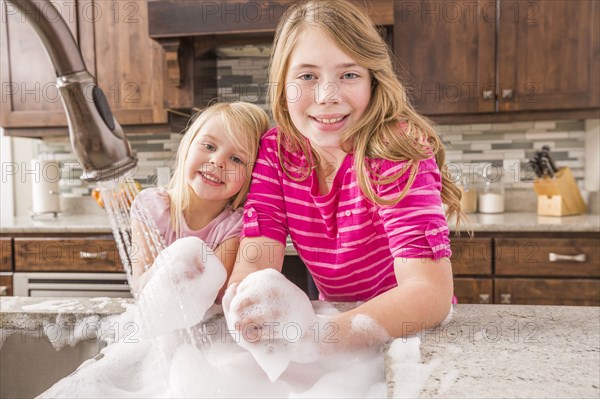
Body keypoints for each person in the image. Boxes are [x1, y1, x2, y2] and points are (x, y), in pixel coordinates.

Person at [223, 0, 465, 352]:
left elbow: (428, 293)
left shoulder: (394, 148)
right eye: (307, 76)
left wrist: (324, 337)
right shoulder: (277, 151)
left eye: (348, 75)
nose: (327, 96)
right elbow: (258, 257)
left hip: (411, 336)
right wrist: (244, 303)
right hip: (338, 322)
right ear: (282, 85)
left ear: (372, 80)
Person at [129, 102, 269, 299]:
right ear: (187, 144)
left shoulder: (236, 226)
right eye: (209, 146)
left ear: (251, 174)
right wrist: (172, 261)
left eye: (236, 159)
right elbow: (140, 288)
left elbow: (209, 294)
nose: (217, 161)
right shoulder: (150, 207)